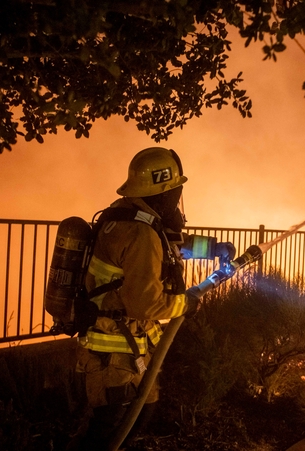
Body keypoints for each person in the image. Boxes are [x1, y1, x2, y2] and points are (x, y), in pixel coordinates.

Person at [74, 147, 235, 451]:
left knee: (135, 417)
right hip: (112, 353)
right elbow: (145, 304)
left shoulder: (131, 215)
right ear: (163, 193)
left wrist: (213, 248)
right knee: (108, 430)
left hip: (129, 346)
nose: (178, 199)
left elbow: (171, 247)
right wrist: (186, 303)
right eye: (175, 191)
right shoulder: (140, 233)